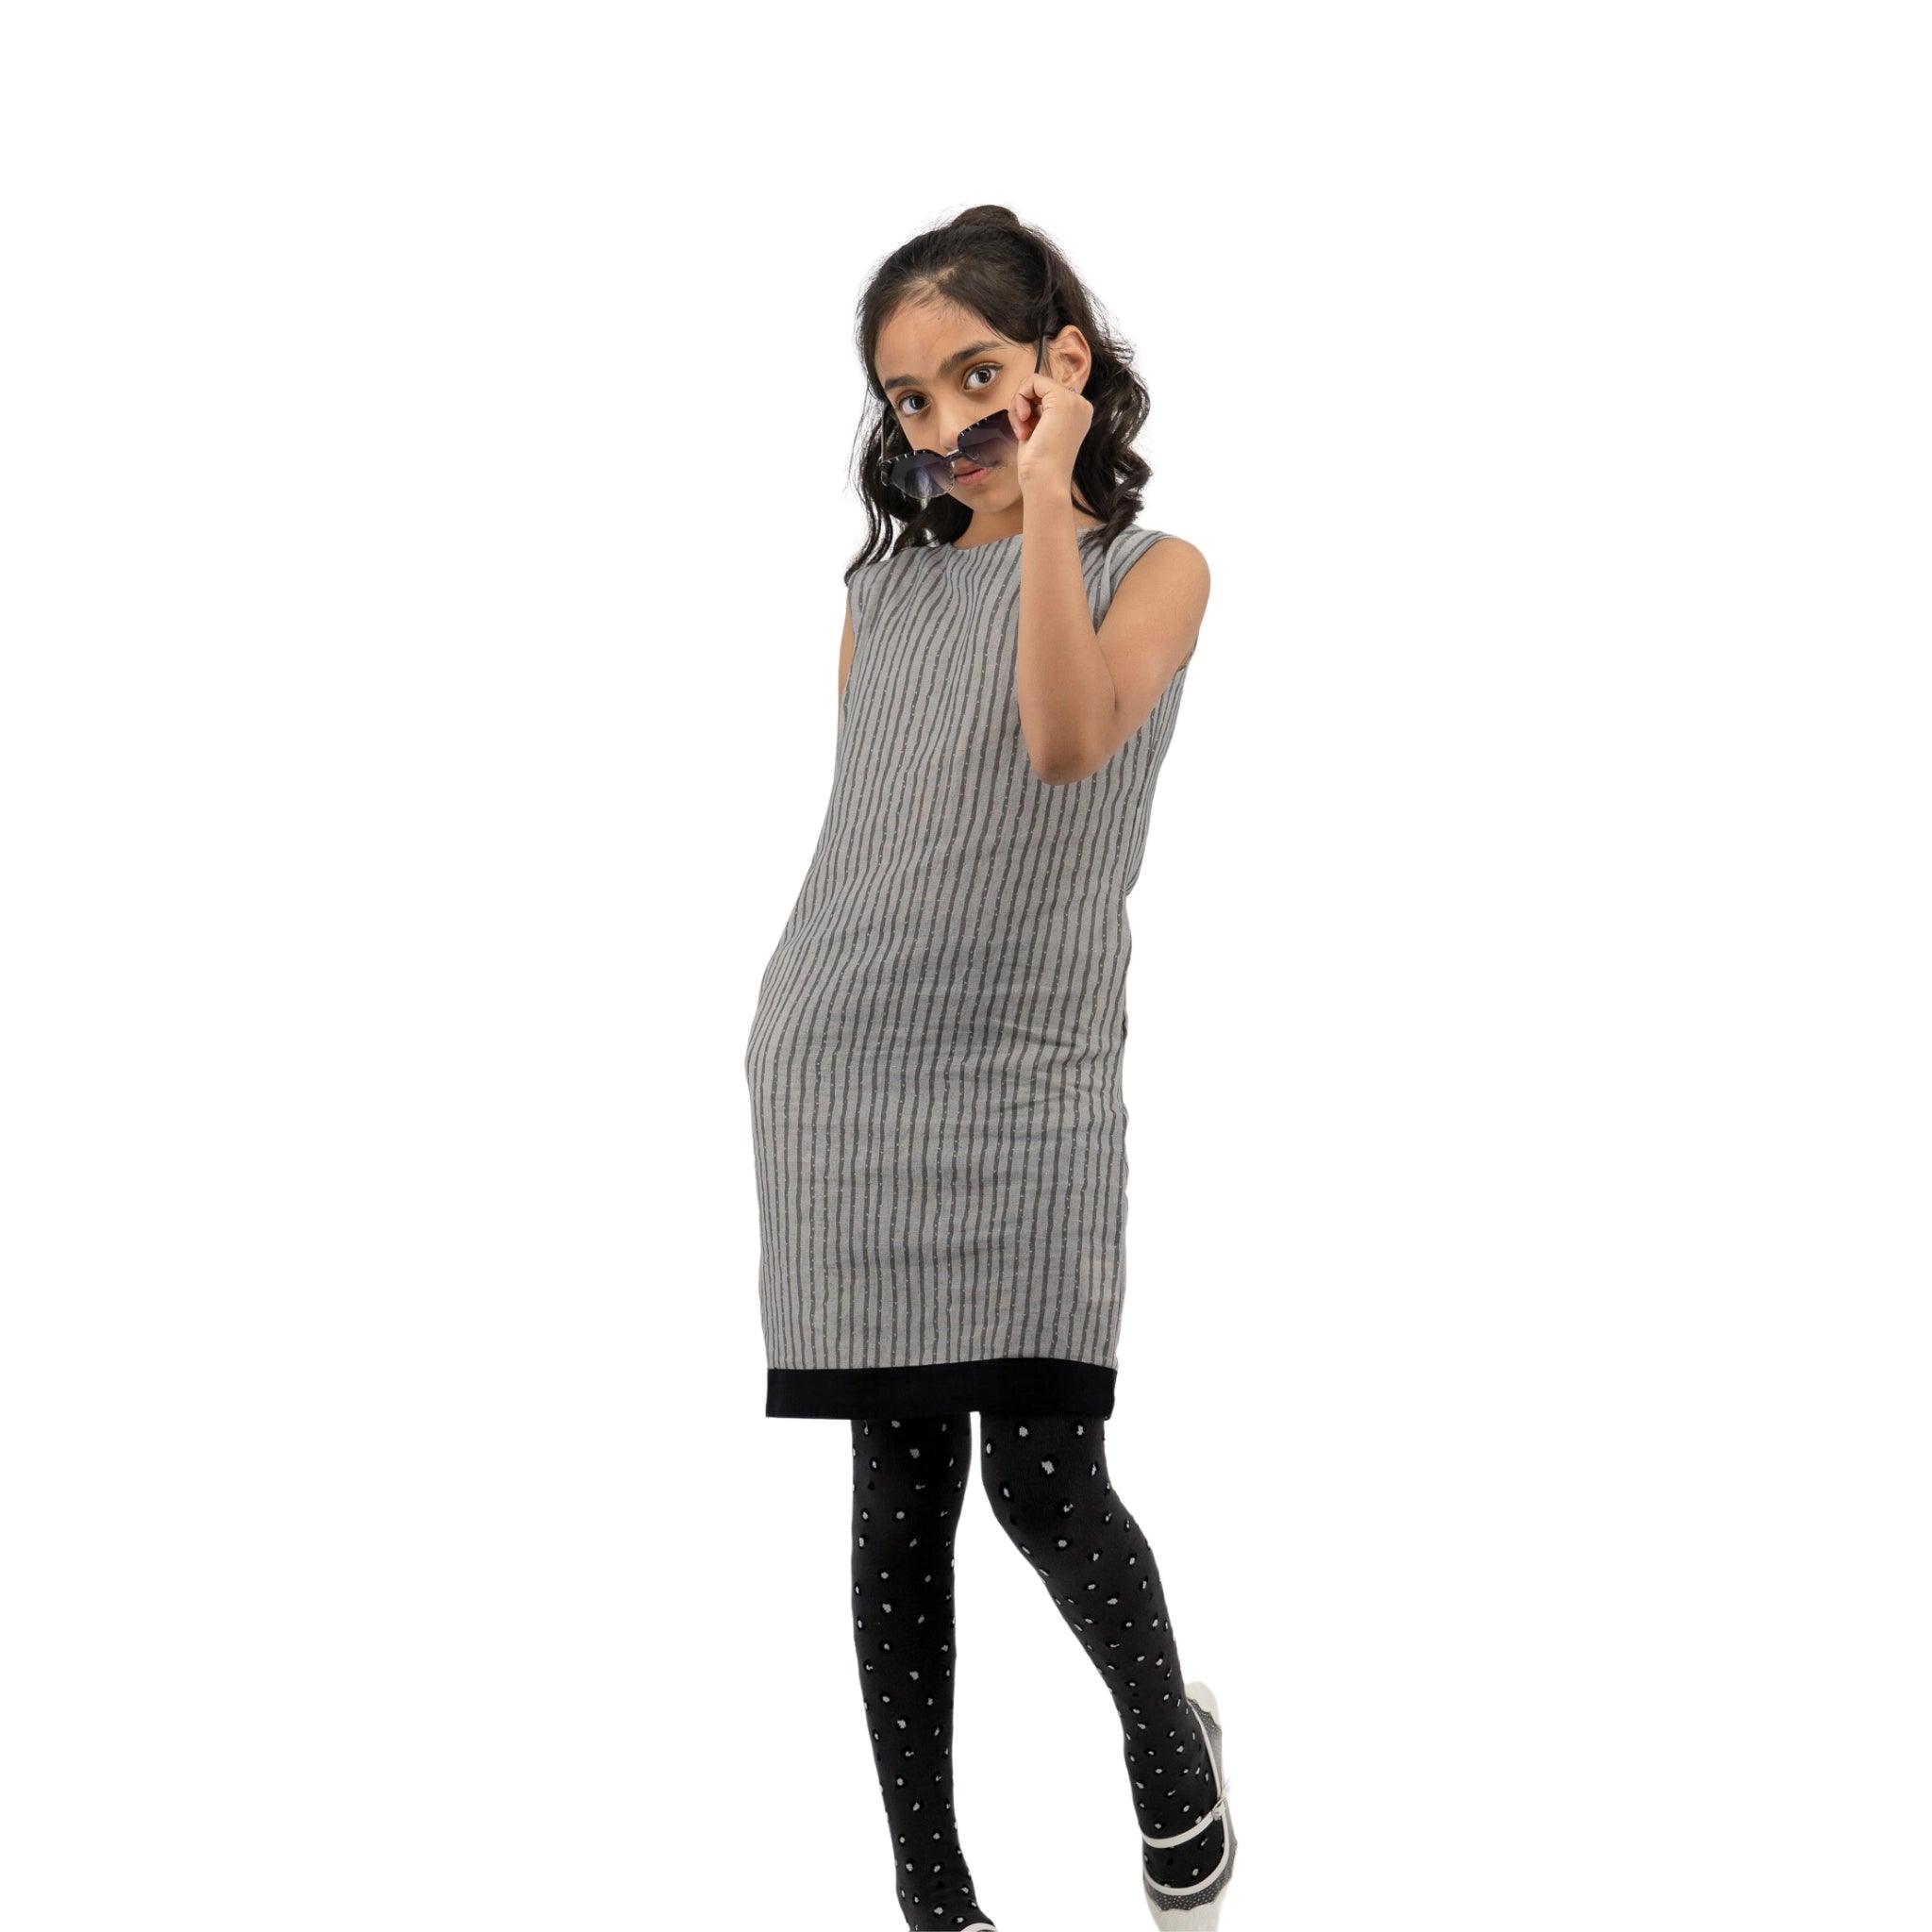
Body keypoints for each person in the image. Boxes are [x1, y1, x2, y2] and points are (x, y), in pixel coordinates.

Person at [743, 206, 1237, 1930]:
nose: (944, 424)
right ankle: (932, 1894)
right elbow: (881, 841)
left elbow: (1061, 740)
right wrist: (993, 505)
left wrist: (1047, 505)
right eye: (909, 399)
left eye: (979, 379)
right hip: (837, 1060)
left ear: (1064, 369)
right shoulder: (879, 590)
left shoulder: (1152, 570)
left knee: (1043, 1477)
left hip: (1022, 1078)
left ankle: (1174, 1765)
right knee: (898, 1494)